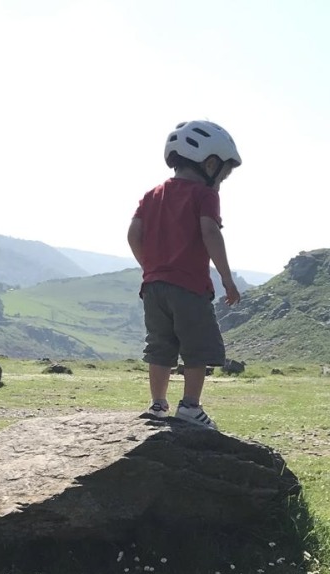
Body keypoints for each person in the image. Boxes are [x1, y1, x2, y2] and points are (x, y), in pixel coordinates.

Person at [127, 120, 242, 431]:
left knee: (160, 345)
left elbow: (133, 233)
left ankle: (157, 404)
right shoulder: (204, 195)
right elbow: (209, 232)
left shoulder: (152, 195)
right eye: (224, 174)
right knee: (197, 346)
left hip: (153, 288)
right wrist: (227, 279)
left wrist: (149, 267)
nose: (222, 181)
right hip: (189, 286)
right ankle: (190, 406)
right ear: (210, 163)